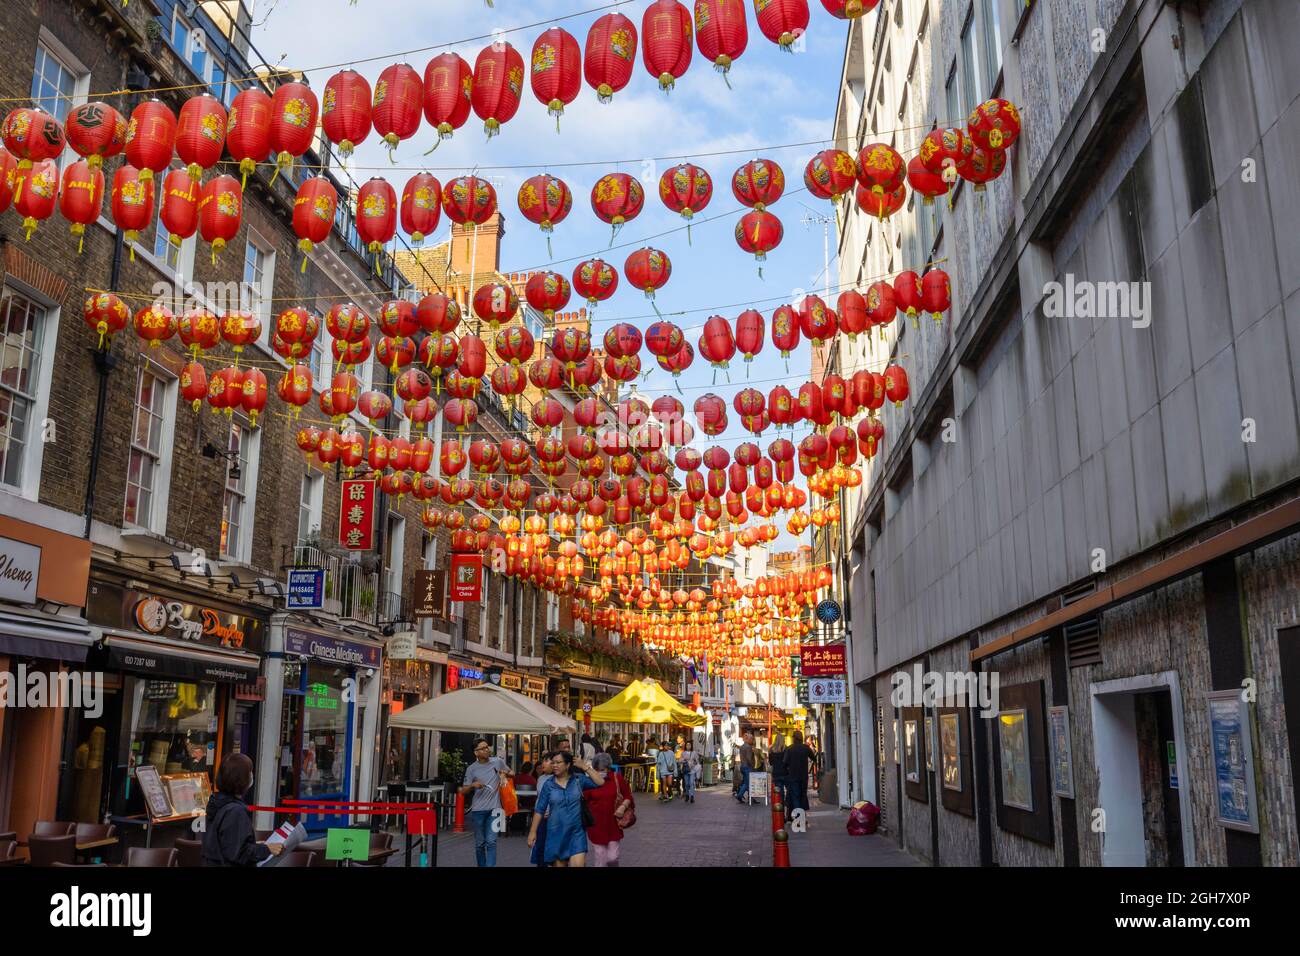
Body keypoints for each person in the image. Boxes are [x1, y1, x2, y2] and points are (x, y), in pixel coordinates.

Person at [202, 753, 282, 866]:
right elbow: (238, 854)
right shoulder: (235, 811)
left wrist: (254, 844)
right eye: (249, 773)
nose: (251, 776)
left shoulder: (217, 803)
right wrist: (266, 849)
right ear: (242, 779)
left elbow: (225, 843)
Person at [527, 750, 605, 866]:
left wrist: (584, 767)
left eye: (558, 762)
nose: (555, 765)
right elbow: (540, 809)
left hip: (576, 833)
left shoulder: (579, 780)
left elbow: (600, 782)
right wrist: (533, 832)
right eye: (553, 763)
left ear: (568, 765)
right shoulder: (549, 785)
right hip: (555, 834)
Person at [457, 738, 513, 867]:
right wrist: (472, 785)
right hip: (478, 810)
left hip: (495, 809)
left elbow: (512, 772)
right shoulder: (471, 769)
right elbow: (463, 790)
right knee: (480, 844)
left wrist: (506, 774)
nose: (487, 750)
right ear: (476, 753)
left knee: (492, 842)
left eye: (487, 747)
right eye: (483, 748)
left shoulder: (498, 762)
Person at [583, 753, 634, 867]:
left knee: (612, 857)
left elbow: (628, 796)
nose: (600, 772)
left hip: (613, 824)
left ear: (608, 768)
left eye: (603, 769)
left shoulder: (616, 778)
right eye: (597, 769)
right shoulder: (589, 781)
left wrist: (623, 806)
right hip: (596, 824)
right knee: (600, 856)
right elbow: (583, 800)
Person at [530, 752, 556, 867]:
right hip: (540, 817)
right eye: (543, 761)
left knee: (554, 848)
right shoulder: (540, 778)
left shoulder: (559, 779)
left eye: (546, 761)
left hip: (554, 819)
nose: (542, 764)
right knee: (540, 847)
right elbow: (539, 798)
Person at [785, 731, 816, 825]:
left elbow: (785, 762)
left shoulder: (790, 749)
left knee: (795, 797)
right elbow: (814, 758)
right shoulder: (805, 748)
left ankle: (799, 818)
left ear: (794, 738)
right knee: (803, 796)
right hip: (803, 776)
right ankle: (801, 817)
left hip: (793, 776)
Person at [654, 737, 678, 801]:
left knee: (669, 784)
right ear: (663, 746)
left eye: (668, 745)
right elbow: (658, 764)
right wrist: (657, 773)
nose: (667, 747)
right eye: (665, 746)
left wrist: (675, 771)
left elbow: (674, 762)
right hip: (663, 771)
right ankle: (665, 795)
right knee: (664, 783)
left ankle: (669, 793)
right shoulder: (661, 754)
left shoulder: (671, 753)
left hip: (670, 771)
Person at [769, 734, 788, 809]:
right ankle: (787, 804)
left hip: (776, 773)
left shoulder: (771, 750)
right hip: (785, 773)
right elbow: (787, 762)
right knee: (790, 790)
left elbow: (771, 763)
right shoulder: (786, 749)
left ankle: (781, 808)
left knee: (780, 793)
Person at [735, 732, 755, 802]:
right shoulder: (748, 747)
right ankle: (739, 795)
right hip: (747, 767)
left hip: (742, 766)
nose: (752, 740)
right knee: (748, 783)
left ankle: (751, 797)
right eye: (752, 739)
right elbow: (749, 758)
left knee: (745, 782)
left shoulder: (743, 746)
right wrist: (752, 765)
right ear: (748, 739)